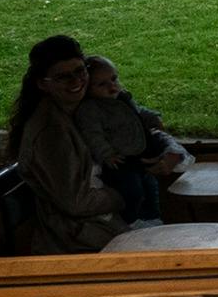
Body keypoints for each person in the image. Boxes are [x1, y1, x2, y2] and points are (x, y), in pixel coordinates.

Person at [4, 35, 126, 254]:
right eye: (63, 77)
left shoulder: (79, 110)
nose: (76, 81)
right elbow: (76, 203)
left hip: (96, 227)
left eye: (80, 71)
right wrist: (122, 193)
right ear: (43, 84)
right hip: (76, 239)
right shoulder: (51, 133)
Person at [74, 55, 181, 227]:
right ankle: (131, 220)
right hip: (119, 160)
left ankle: (153, 219)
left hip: (139, 155)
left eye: (114, 79)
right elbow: (92, 134)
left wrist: (153, 118)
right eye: (102, 84)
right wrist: (106, 153)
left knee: (150, 186)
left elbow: (138, 112)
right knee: (132, 190)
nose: (112, 86)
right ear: (87, 88)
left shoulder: (122, 98)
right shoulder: (91, 109)